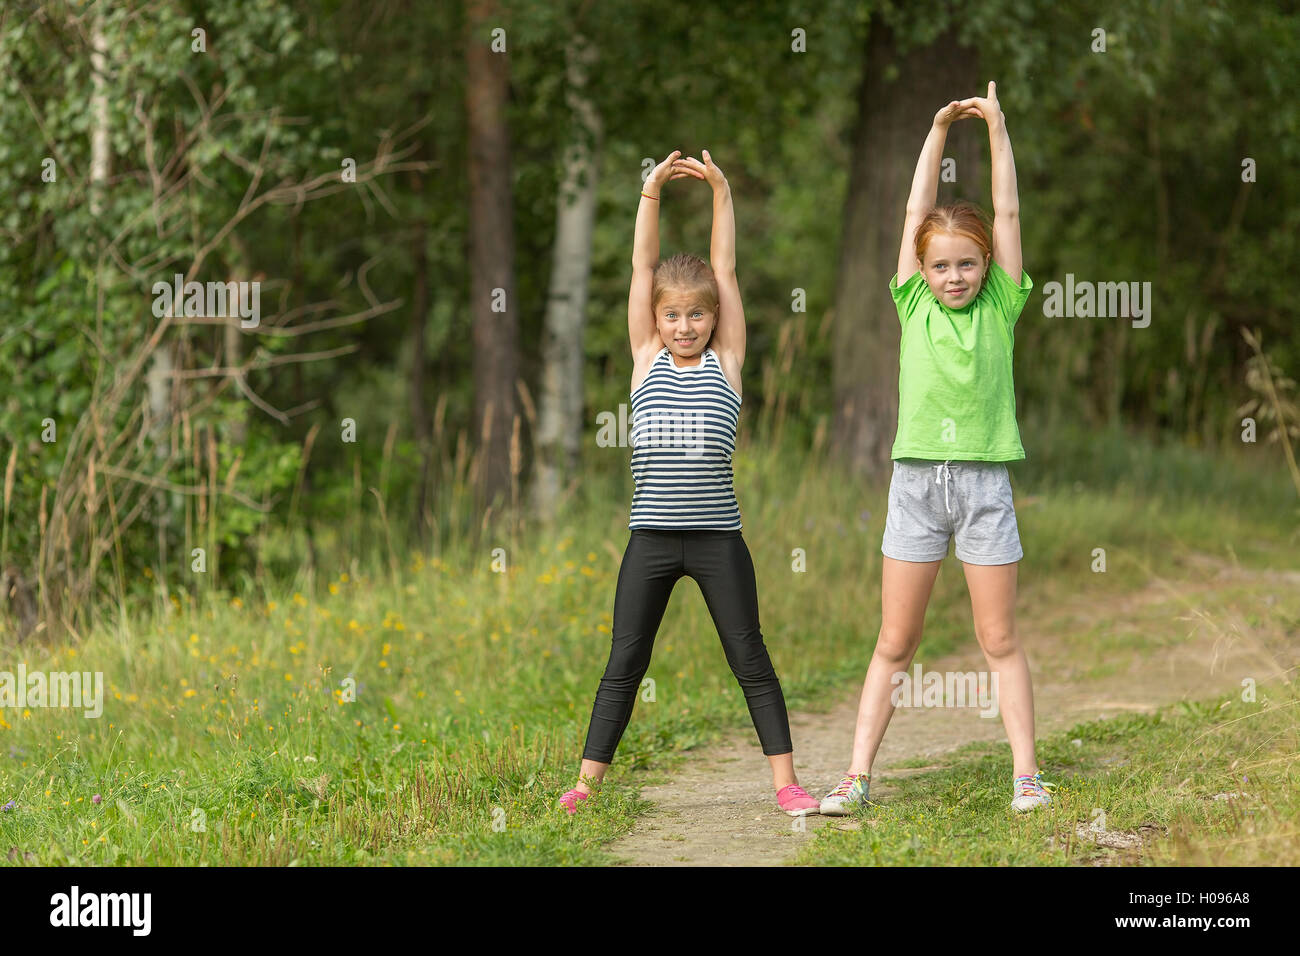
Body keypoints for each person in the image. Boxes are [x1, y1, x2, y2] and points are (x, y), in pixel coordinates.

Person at [560, 149, 820, 817]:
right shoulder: (645, 358)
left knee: (749, 657)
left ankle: (786, 782)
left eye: (696, 316)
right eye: (673, 316)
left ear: (712, 319)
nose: (684, 326)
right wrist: (649, 194)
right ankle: (585, 785)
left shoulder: (726, 361)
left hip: (717, 539)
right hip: (649, 538)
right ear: (657, 320)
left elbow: (725, 268)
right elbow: (642, 268)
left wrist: (722, 192)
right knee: (625, 660)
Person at [821, 83, 1055, 816]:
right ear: (921, 271)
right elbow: (915, 211)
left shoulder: (1004, 301)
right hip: (917, 485)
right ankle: (857, 777)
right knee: (895, 639)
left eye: (967, 264)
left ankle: (1027, 777)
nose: (955, 277)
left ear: (986, 265)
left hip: (984, 487)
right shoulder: (911, 299)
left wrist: (996, 131)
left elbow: (1010, 211)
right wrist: (935, 128)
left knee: (998, 636)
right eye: (942, 265)